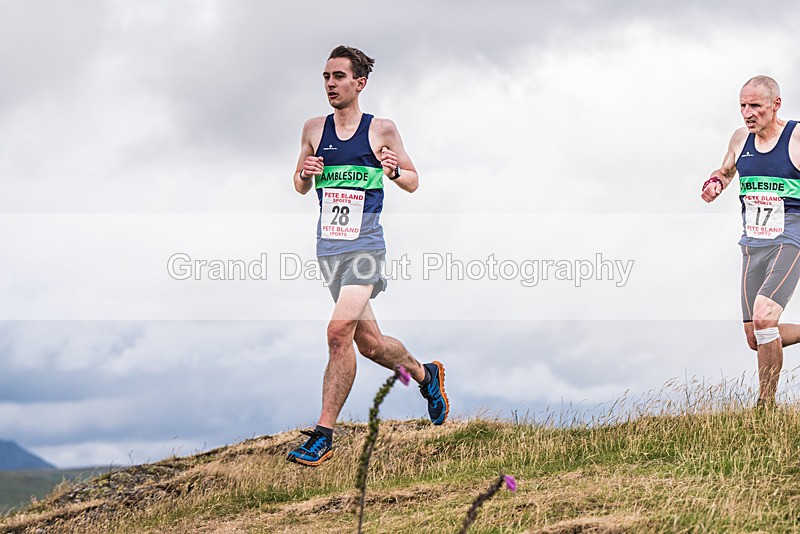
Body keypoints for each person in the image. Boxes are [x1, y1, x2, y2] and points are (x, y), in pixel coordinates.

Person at [287, 45, 449, 466]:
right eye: (326, 77)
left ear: (359, 83)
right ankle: (426, 375)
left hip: (365, 247)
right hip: (329, 249)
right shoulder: (313, 129)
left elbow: (412, 180)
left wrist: (393, 171)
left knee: (337, 332)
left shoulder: (381, 130)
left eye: (338, 76)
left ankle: (323, 435)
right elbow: (299, 185)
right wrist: (304, 174)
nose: (330, 84)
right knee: (371, 345)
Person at [702, 75, 800, 406]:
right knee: (756, 337)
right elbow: (726, 170)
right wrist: (716, 182)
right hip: (752, 244)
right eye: (743, 105)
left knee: (764, 317)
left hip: (789, 239)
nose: (747, 113)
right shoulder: (740, 138)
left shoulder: (796, 137)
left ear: (776, 104)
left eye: (755, 105)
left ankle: (764, 407)